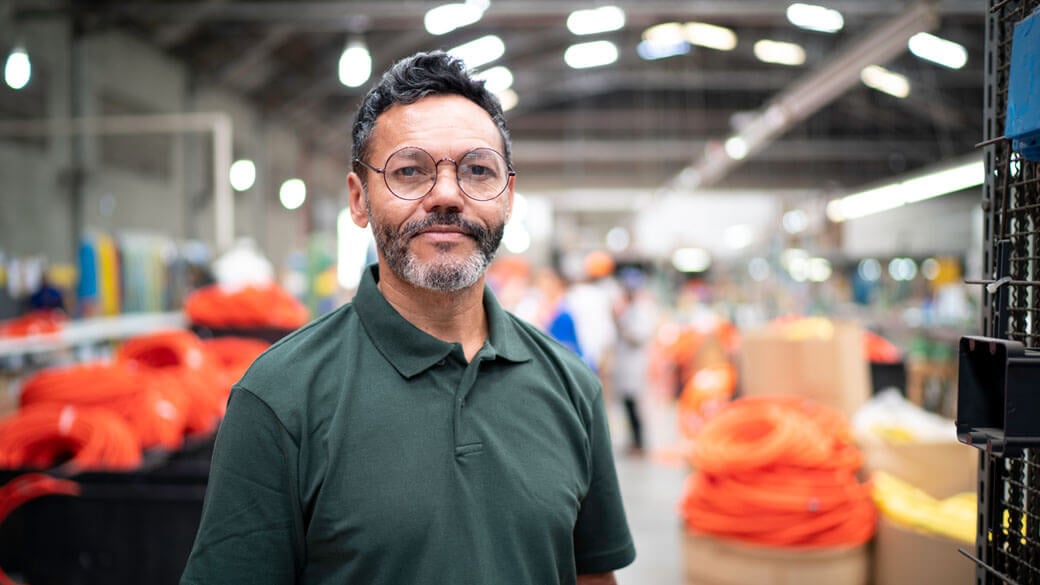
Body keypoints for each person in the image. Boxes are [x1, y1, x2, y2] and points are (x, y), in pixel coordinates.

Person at [180, 51, 635, 585]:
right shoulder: (280, 398)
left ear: (507, 197)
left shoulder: (571, 386)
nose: (446, 195)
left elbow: (592, 577)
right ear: (359, 198)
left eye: (478, 170)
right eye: (410, 171)